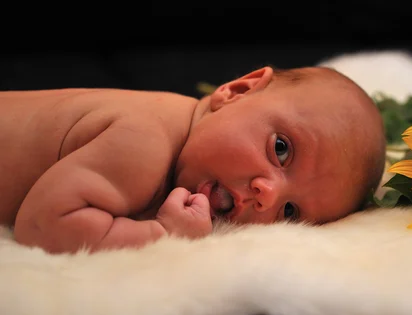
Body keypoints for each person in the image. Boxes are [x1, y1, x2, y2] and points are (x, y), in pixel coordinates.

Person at [0, 65, 386, 254]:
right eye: (281, 149)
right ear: (237, 90)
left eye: (289, 211)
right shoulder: (144, 145)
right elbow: (43, 225)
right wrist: (163, 236)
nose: (266, 194)